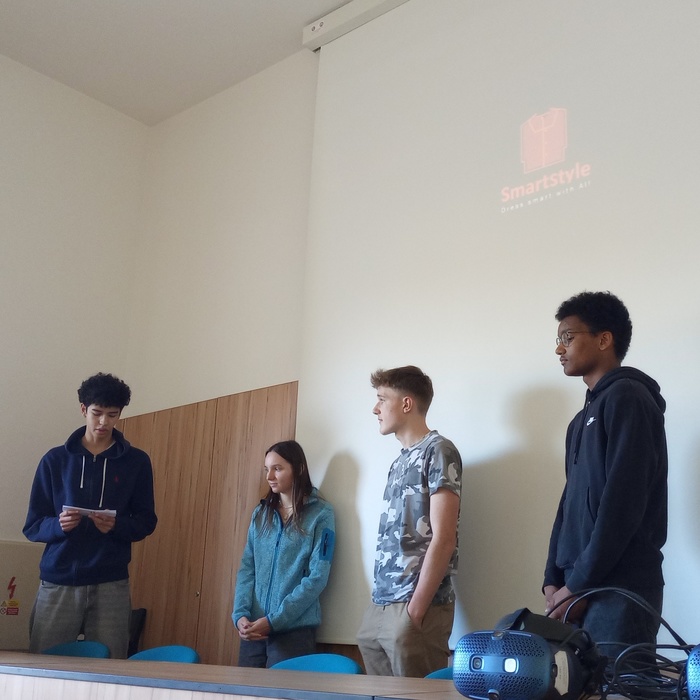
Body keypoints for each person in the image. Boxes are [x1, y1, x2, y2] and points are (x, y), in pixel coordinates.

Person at [543, 291, 667, 659]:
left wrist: (577, 586)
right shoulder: (578, 422)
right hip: (576, 589)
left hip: (620, 589)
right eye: (558, 339)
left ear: (604, 339)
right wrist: (553, 580)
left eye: (568, 337)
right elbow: (568, 505)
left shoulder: (629, 398)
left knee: (622, 684)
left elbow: (622, 504)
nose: (559, 349)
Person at [23, 372, 157, 658]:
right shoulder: (55, 460)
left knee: (110, 665)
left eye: (112, 415)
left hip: (111, 581)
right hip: (59, 579)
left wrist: (116, 526)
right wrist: (59, 526)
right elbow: (33, 525)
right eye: (97, 413)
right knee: (47, 665)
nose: (104, 422)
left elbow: (146, 521)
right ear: (84, 409)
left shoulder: (136, 462)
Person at [357, 365, 462, 677]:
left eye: (382, 399)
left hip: (416, 606)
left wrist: (416, 610)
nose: (375, 409)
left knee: (418, 694)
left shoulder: (439, 450)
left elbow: (444, 537)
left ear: (406, 404)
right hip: (381, 604)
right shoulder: (398, 462)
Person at [233, 440, 336, 668]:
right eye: (267, 469)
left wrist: (275, 620)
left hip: (294, 632)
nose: (269, 476)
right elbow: (247, 569)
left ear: (298, 469)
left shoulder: (322, 514)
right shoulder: (260, 514)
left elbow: (318, 577)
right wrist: (240, 615)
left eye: (277, 469)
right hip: (253, 631)